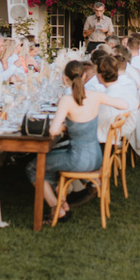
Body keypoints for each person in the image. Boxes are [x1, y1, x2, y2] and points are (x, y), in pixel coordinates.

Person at [26, 60, 128, 224]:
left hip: (78, 159)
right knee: (48, 159)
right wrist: (119, 118)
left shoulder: (67, 100)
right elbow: (124, 104)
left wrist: (60, 127)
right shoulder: (95, 96)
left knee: (33, 167)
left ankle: (57, 208)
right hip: (96, 156)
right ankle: (62, 203)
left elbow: (52, 131)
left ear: (64, 79)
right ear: (85, 76)